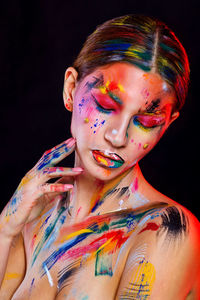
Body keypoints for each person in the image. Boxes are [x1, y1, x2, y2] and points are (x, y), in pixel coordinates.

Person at [0, 14, 199, 300]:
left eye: (146, 122)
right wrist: (5, 229)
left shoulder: (165, 232)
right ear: (71, 89)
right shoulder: (35, 216)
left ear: (166, 125)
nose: (118, 137)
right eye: (106, 105)